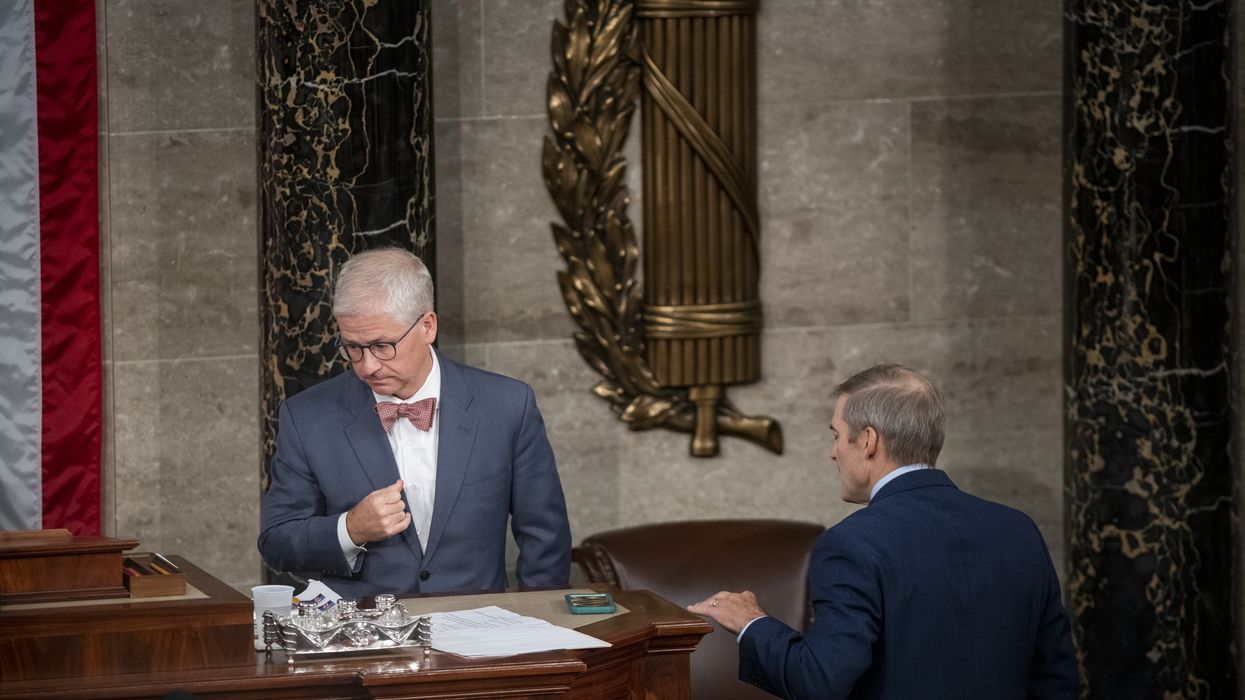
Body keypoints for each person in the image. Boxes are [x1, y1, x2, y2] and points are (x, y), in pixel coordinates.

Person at [689, 364, 1077, 699]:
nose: (833, 452)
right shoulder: (1019, 529)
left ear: (869, 441)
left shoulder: (851, 545)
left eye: (837, 434)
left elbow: (821, 681)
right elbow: (1058, 682)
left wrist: (753, 622)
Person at [258, 247, 572, 599]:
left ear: (427, 327)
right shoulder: (307, 418)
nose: (367, 366)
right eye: (353, 348)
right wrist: (351, 528)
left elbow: (546, 539)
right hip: (364, 638)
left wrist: (540, 632)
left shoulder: (507, 405)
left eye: (381, 346)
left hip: (479, 634)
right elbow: (277, 542)